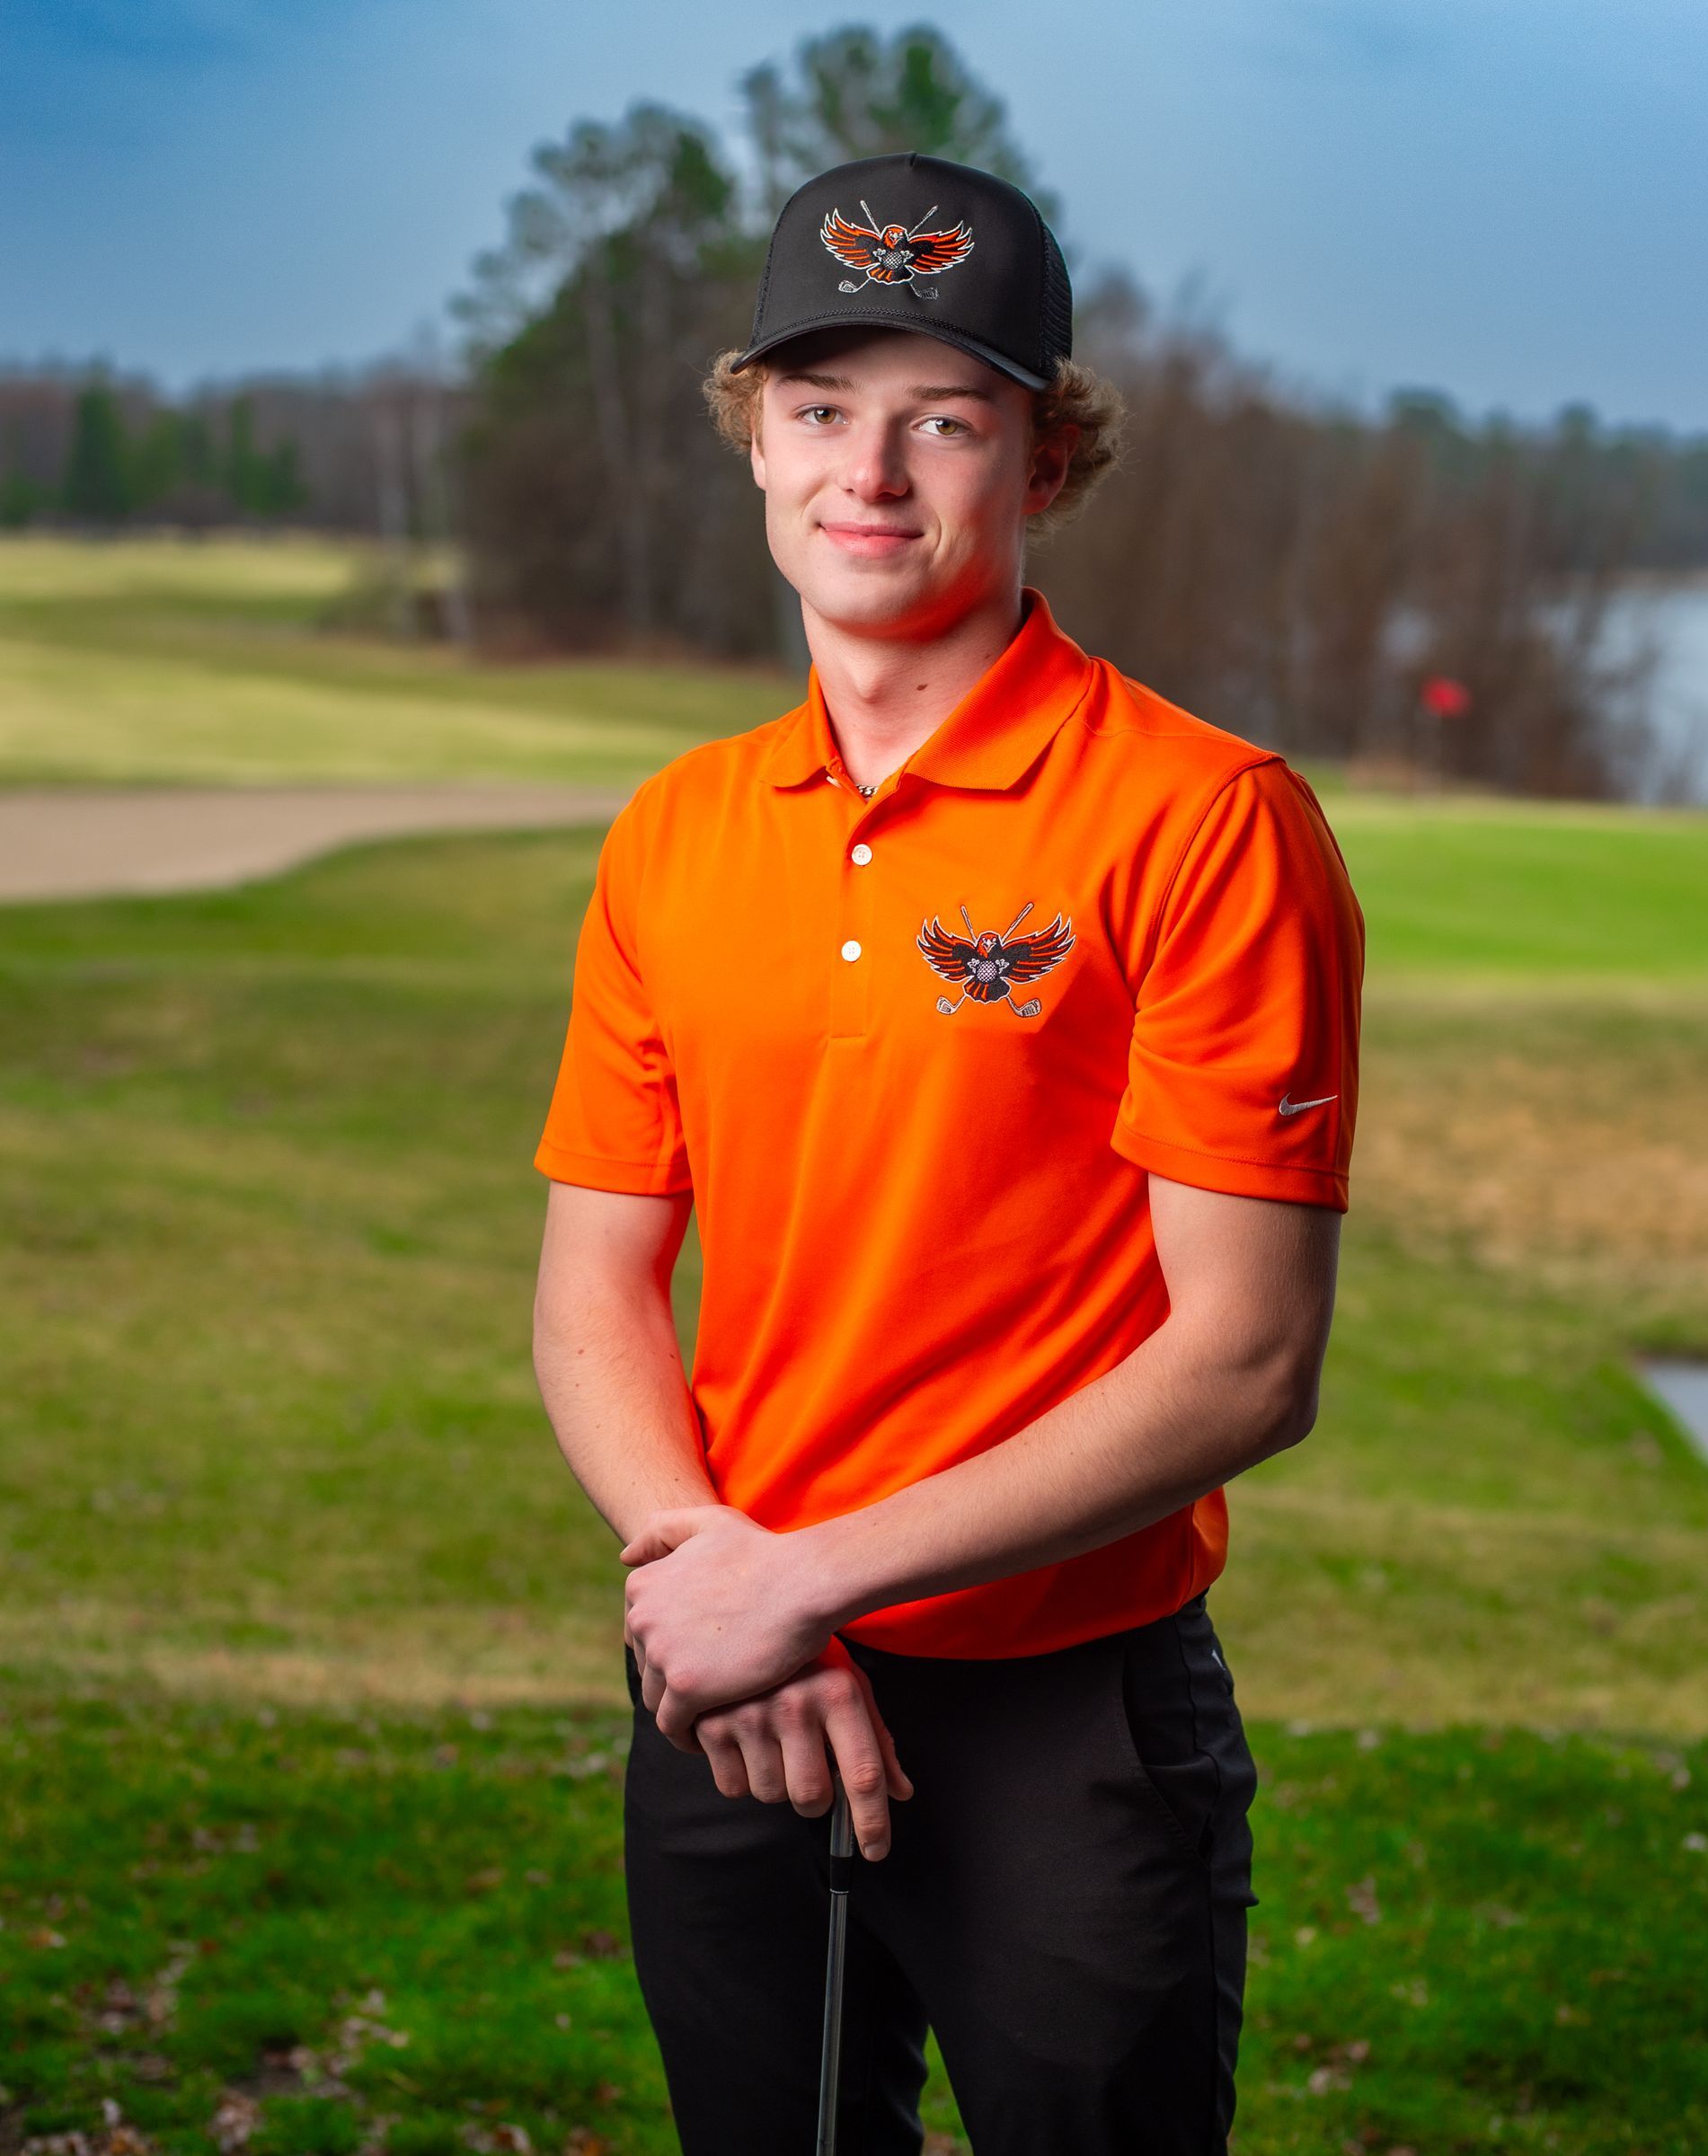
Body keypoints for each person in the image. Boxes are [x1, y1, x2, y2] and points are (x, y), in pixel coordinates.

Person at [531, 150, 1364, 2156]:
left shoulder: (1207, 820)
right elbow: (593, 1283)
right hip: (721, 1680)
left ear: (1048, 458)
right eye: (820, 411)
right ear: (755, 442)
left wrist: (799, 1580)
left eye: (945, 420)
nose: (870, 475)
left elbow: (1247, 1362)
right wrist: (701, 1579)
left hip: (1063, 1704)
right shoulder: (676, 830)